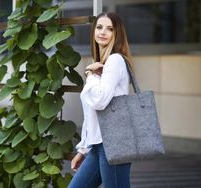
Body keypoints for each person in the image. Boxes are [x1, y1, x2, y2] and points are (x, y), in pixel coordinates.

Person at [68, 12, 134, 188]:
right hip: (98, 146)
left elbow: (99, 101)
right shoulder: (101, 63)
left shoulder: (114, 60)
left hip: (114, 142)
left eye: (110, 29)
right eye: (99, 27)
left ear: (117, 34)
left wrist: (89, 74)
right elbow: (92, 114)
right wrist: (83, 150)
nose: (103, 32)